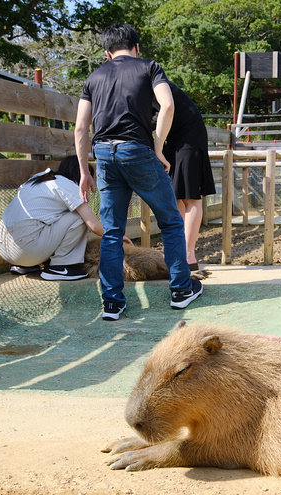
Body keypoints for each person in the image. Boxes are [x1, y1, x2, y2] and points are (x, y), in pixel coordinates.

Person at [74, 23, 204, 321]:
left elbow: (81, 128)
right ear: (136, 48)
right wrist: (158, 148)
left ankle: (112, 303)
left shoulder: (94, 77)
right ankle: (182, 290)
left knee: (112, 232)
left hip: (104, 154)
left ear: (108, 53)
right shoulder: (150, 68)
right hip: (137, 151)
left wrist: (84, 171)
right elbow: (168, 105)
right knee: (171, 221)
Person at [0, 155, 114, 281]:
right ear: (81, 174)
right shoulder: (68, 185)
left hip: (3, 247)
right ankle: (59, 267)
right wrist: (116, 234)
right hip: (26, 249)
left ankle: (26, 265)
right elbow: (94, 226)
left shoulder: (39, 178)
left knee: (46, 218)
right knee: (80, 217)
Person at [156, 82, 217, 271]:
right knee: (176, 196)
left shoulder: (152, 82)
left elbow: (165, 110)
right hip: (172, 140)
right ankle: (176, 248)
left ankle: (189, 253)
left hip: (189, 139)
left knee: (190, 197)